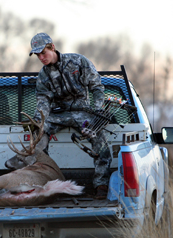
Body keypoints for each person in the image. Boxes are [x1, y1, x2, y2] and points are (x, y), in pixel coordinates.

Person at [14, 32, 111, 199]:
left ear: (52, 47)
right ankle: (46, 185)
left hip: (84, 113)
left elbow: (97, 87)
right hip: (58, 114)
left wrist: (98, 111)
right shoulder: (43, 75)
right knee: (38, 136)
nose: (41, 57)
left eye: (43, 53)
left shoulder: (79, 61)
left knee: (100, 140)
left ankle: (101, 185)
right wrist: (39, 120)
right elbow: (43, 101)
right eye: (37, 55)